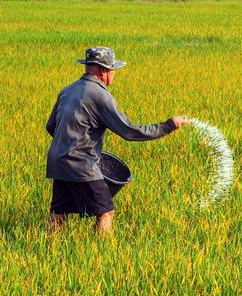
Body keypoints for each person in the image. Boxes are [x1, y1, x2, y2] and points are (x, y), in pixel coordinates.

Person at [45, 46, 188, 233]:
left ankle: (48, 246)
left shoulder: (67, 90)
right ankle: (102, 255)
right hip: (81, 164)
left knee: (58, 213)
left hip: (58, 161)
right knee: (106, 211)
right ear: (104, 70)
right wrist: (168, 126)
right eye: (113, 70)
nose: (114, 74)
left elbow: (51, 126)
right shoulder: (101, 96)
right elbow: (128, 131)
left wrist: (70, 143)